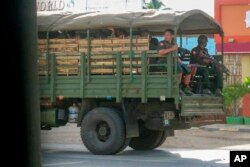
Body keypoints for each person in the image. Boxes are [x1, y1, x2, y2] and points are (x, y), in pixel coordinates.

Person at [158, 29, 193, 95]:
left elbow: (175, 55)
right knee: (179, 70)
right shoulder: (162, 43)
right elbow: (160, 52)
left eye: (167, 35)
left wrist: (182, 63)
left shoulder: (174, 44)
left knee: (188, 71)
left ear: (172, 36)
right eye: (165, 35)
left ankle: (185, 87)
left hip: (174, 62)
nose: (165, 36)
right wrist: (172, 48)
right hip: (165, 63)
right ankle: (178, 88)